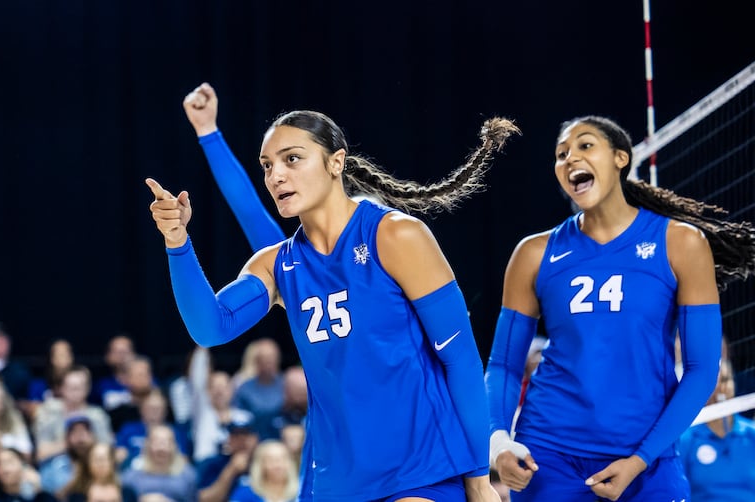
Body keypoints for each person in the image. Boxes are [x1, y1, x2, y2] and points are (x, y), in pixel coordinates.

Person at [147, 93, 519, 501]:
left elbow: (461, 358)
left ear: (336, 162)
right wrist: (177, 242)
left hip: (420, 467)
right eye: (268, 166)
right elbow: (210, 328)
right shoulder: (277, 264)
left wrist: (478, 477)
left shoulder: (395, 235)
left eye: (292, 159)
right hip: (335, 479)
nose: (276, 176)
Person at [485, 115, 755, 501]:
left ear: (620, 159)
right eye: (561, 154)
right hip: (549, 456)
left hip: (645, 458)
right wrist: (498, 439)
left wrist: (641, 459)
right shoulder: (534, 253)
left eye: (585, 145)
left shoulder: (680, 243)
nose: (570, 158)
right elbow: (503, 365)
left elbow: (702, 369)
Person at [678, 358, 755, 500]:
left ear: (734, 383)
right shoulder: (687, 439)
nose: (721, 388)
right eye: (714, 383)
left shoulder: (751, 433)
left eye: (725, 380)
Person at [228, 439, 299, 502]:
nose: (278, 464)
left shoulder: (303, 491)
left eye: (283, 458)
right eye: (271, 460)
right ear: (260, 465)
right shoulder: (246, 492)